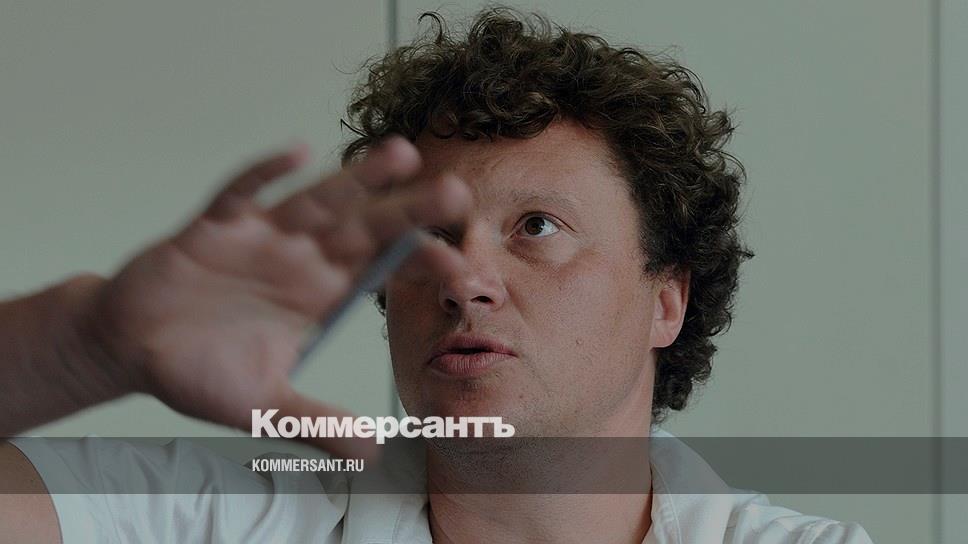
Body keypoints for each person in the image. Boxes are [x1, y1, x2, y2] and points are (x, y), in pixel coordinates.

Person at [0, 8, 874, 543]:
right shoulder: (214, 520)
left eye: (537, 227)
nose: (465, 279)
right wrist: (84, 345)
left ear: (666, 301)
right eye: (429, 236)